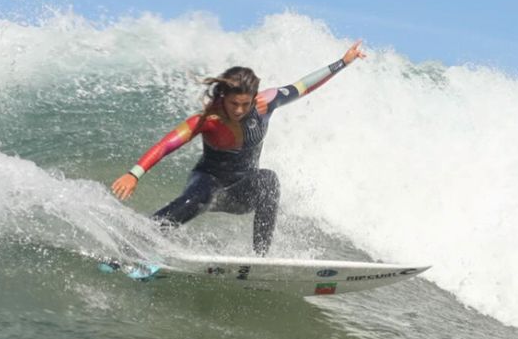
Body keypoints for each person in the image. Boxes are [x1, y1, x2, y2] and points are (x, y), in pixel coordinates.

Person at [111, 39, 367, 256]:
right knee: (199, 196)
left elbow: (303, 86)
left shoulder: (267, 103)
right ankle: (133, 245)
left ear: (255, 97)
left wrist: (342, 62)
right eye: (233, 103)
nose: (238, 110)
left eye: (245, 104)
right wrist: (134, 173)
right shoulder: (208, 120)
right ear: (223, 97)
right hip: (207, 181)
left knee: (268, 180)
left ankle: (259, 260)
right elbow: (166, 145)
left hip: (240, 190)